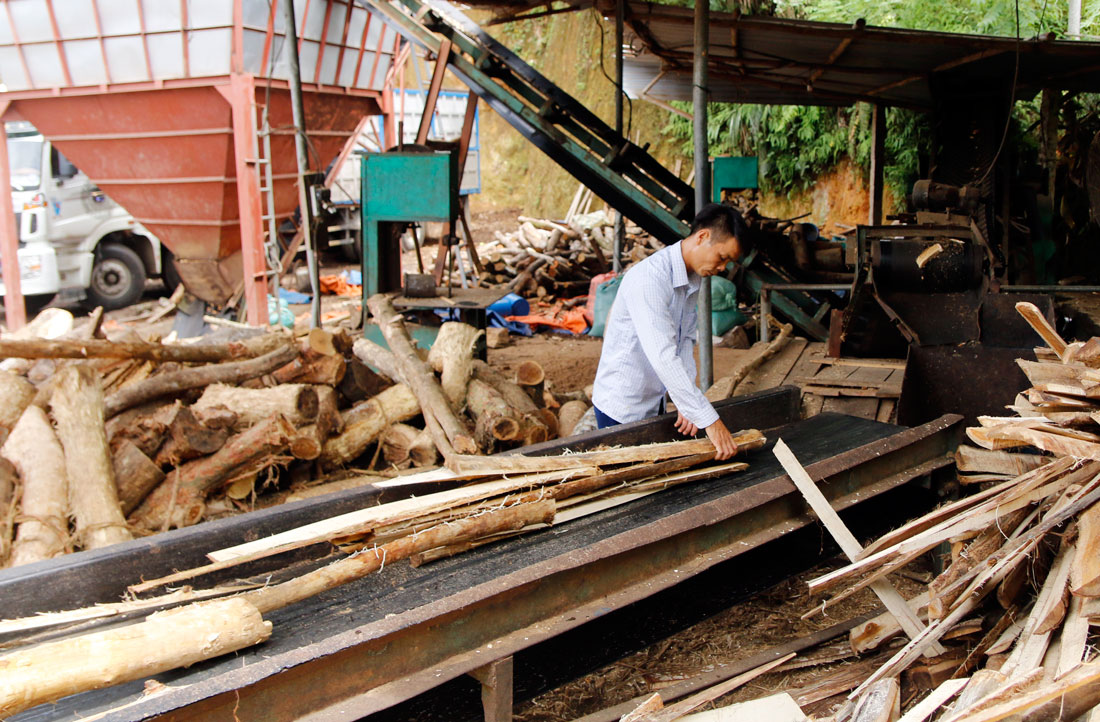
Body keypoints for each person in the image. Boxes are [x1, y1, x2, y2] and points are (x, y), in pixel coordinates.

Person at [591, 203, 750, 460]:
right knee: (628, 486)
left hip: (653, 400)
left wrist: (688, 404)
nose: (723, 268)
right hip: (621, 406)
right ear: (702, 237)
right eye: (722, 258)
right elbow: (663, 355)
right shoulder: (651, 279)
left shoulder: (692, 279)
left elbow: (684, 341)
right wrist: (710, 420)